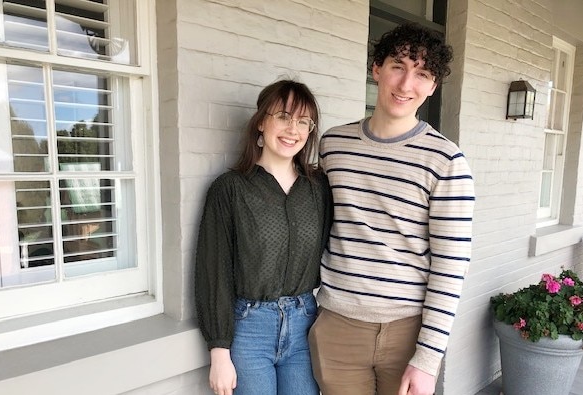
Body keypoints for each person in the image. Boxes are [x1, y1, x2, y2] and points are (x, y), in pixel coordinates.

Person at [308, 23, 475, 395]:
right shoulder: (333, 145)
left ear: (432, 87)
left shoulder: (446, 160)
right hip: (338, 325)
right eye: (398, 65)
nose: (405, 84)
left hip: (408, 330)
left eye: (423, 74)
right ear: (376, 69)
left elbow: (451, 266)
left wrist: (428, 358)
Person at [195, 79, 332, 395]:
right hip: (249, 329)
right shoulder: (230, 189)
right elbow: (213, 271)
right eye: (283, 117)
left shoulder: (319, 189)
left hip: (304, 324)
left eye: (303, 122)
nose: (292, 129)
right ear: (261, 123)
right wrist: (219, 351)